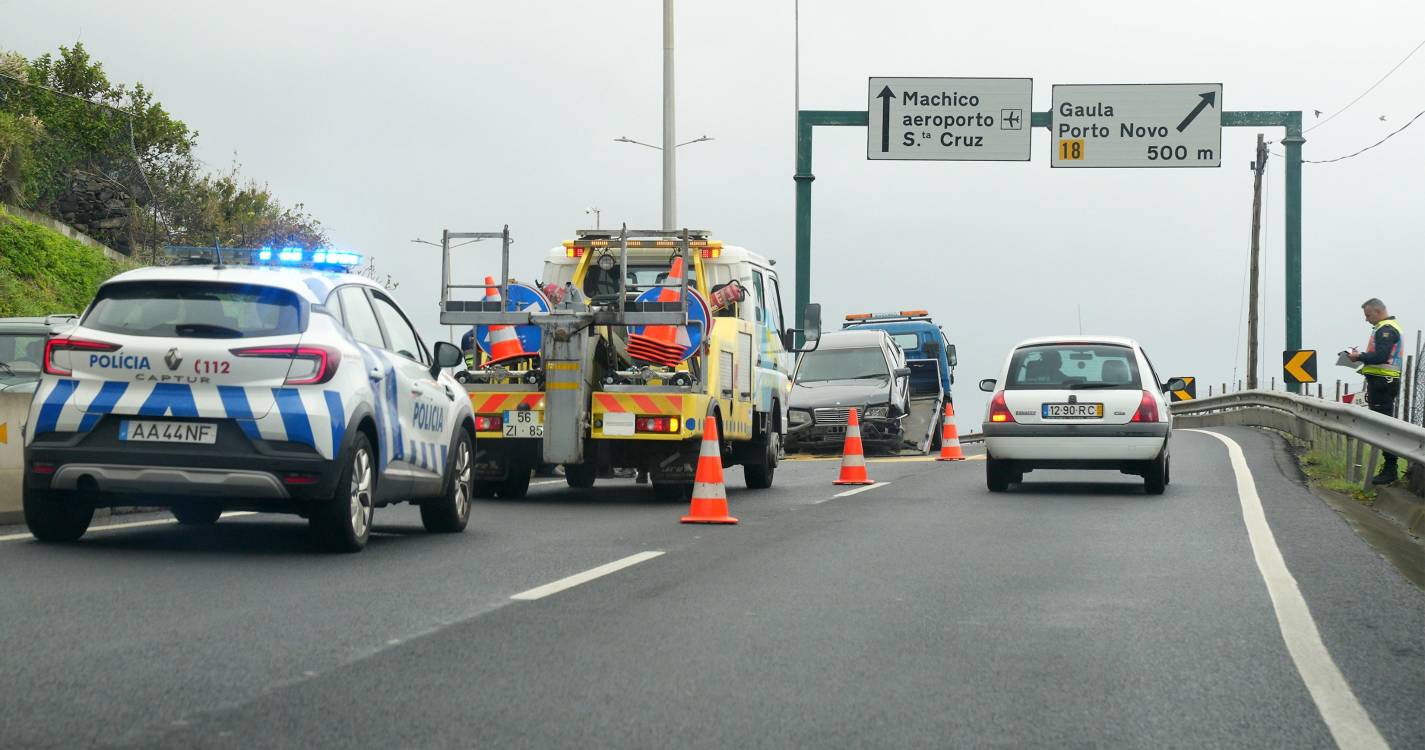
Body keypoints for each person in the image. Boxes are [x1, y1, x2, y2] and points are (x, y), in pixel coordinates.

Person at [1347, 298, 1404, 484]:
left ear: (1378, 311)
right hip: (1382, 383)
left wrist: (1359, 357)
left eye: (1368, 315)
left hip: (1383, 384)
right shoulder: (1385, 327)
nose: (1366, 319)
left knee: (1383, 427)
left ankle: (1390, 469)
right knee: (1382, 426)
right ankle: (1389, 467)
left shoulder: (1386, 329)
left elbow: (1381, 356)